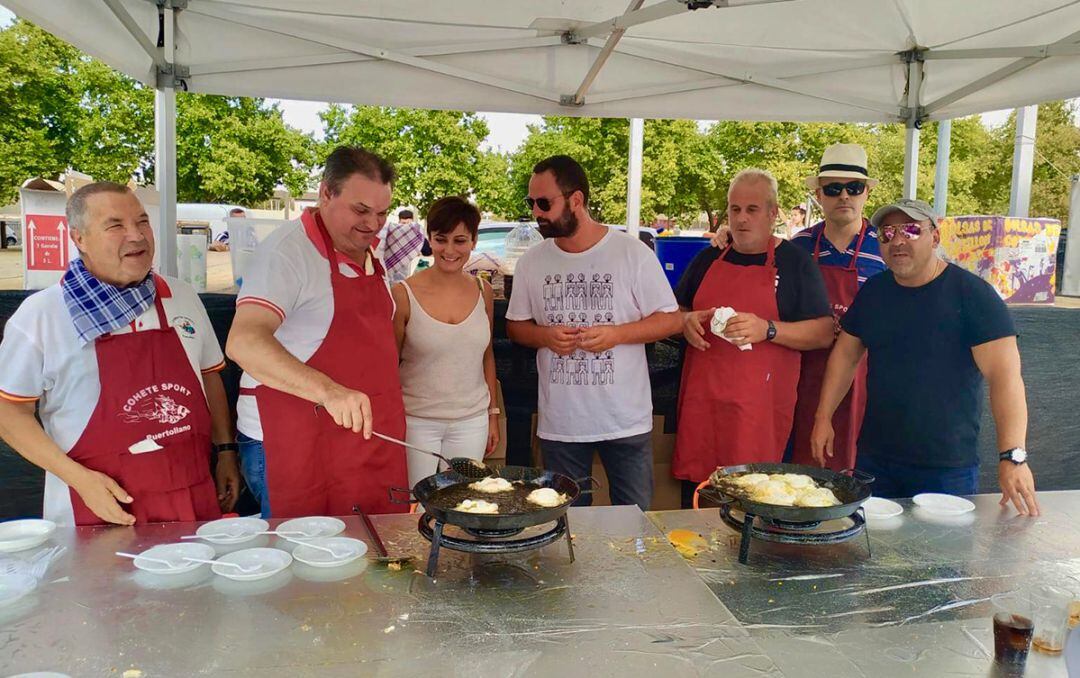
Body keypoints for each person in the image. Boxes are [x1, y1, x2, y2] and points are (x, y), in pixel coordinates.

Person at [0, 182, 239, 525]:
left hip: (193, 497)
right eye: (115, 226)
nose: (137, 236)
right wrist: (80, 480)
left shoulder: (181, 296)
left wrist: (226, 451)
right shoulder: (42, 315)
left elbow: (209, 376)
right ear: (79, 238)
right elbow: (9, 413)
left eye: (142, 222)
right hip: (98, 509)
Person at [811, 199, 1040, 515]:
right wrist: (823, 416)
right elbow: (845, 355)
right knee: (869, 558)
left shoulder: (973, 295)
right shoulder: (875, 292)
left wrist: (1013, 457)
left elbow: (1006, 379)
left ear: (935, 236)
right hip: (875, 460)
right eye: (887, 233)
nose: (898, 240)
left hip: (946, 469)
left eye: (911, 229)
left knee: (943, 562)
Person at [226, 146, 408, 518]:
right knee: (303, 562)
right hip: (293, 440)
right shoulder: (286, 253)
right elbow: (244, 342)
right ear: (326, 193)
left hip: (365, 437)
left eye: (382, 213)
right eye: (360, 210)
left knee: (372, 557)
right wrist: (329, 391)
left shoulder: (368, 253)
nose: (373, 225)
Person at [505, 155, 682, 511]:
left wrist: (617, 334)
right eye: (531, 203)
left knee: (634, 526)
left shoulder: (631, 253)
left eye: (544, 203)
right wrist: (545, 337)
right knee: (569, 531)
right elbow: (516, 327)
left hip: (625, 421)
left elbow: (672, 320)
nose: (536, 213)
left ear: (576, 200)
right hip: (561, 423)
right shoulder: (532, 261)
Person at [673, 169, 832, 507]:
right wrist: (684, 321)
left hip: (759, 415)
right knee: (699, 507)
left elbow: (823, 332)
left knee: (756, 501)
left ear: (773, 213)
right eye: (735, 209)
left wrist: (768, 329)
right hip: (704, 410)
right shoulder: (707, 258)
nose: (741, 218)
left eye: (752, 209)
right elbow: (674, 311)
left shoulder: (795, 263)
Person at [787, 144, 888, 471]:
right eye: (833, 188)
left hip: (867, 377)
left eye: (853, 187)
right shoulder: (798, 247)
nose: (844, 196)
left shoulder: (888, 247)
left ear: (866, 194)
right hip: (804, 375)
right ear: (819, 194)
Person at [391, 197, 499, 486]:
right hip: (416, 422)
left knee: (464, 504)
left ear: (474, 241)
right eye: (441, 239)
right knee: (414, 507)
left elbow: (487, 356)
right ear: (429, 239)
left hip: (471, 420)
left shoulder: (483, 290)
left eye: (460, 240)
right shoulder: (402, 293)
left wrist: (493, 415)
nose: (450, 250)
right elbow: (389, 363)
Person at [380, 208, 427, 284]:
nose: (406, 227)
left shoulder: (419, 239)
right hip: (393, 279)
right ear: (399, 222)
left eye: (408, 224)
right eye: (403, 223)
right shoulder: (393, 237)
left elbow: (429, 256)